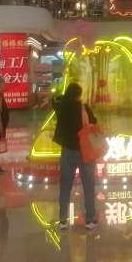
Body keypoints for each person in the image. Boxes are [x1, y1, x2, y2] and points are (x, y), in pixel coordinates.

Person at [52, 82, 98, 230]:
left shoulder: (61, 107)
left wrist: (63, 96)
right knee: (88, 186)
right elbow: (94, 123)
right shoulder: (83, 108)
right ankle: (90, 220)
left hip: (67, 151)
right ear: (79, 94)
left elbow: (54, 98)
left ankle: (63, 221)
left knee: (65, 186)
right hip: (85, 151)